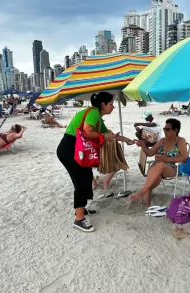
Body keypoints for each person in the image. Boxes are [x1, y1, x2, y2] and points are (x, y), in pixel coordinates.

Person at [56, 92, 134, 233]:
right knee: (80, 182)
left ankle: (81, 209)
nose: (113, 107)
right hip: (69, 150)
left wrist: (125, 139)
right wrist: (103, 136)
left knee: (86, 178)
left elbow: (109, 134)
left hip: (77, 150)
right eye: (111, 104)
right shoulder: (93, 113)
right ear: (103, 104)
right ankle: (79, 219)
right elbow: (87, 132)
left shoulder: (97, 118)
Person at [130, 118, 188, 207]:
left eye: (168, 129)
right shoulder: (162, 140)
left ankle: (142, 192)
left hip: (172, 168)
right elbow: (150, 153)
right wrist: (143, 145)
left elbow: (184, 158)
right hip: (157, 167)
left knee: (160, 165)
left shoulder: (180, 141)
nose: (165, 131)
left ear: (175, 130)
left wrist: (165, 159)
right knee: (151, 179)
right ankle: (146, 205)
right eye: (164, 129)